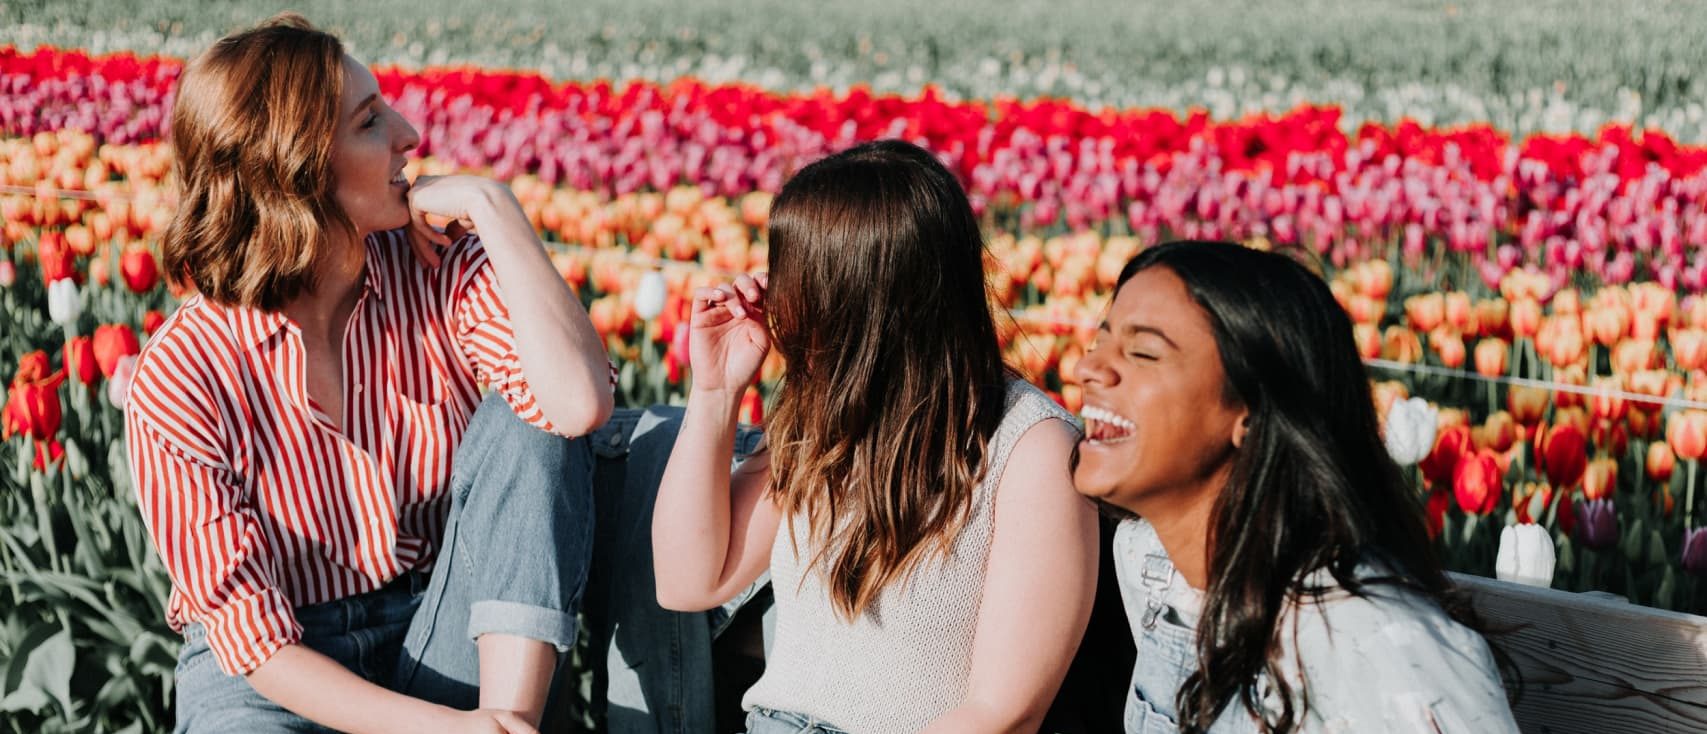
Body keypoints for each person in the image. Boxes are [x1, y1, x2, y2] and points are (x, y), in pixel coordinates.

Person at [125, 14, 613, 733]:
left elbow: (574, 406)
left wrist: (492, 205)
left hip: (439, 622)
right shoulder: (182, 374)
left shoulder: (437, 266)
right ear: (293, 171)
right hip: (278, 675)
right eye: (369, 122)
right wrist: (446, 731)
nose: (409, 133)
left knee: (526, 409)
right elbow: (257, 645)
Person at [650, 139, 1099, 733]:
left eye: (790, 270)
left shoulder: (1031, 450)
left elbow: (1002, 714)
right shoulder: (822, 423)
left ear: (857, 297)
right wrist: (715, 393)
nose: (769, 290)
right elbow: (688, 580)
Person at [1071, 241, 1519, 733]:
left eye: (1143, 353)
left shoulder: (1382, 646)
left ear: (1252, 413)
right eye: (1100, 342)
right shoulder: (1150, 561)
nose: (1087, 368)